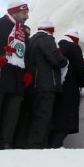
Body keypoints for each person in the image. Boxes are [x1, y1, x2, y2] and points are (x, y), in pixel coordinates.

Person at [0, 1, 30, 151]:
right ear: (14, 12)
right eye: (24, 13)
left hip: (16, 78)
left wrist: (27, 72)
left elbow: (25, 54)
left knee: (12, 114)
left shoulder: (22, 31)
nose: (27, 16)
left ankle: (6, 142)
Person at [26, 17, 68, 149]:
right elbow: (55, 59)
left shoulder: (32, 40)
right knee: (44, 116)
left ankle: (33, 142)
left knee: (36, 114)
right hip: (47, 83)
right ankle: (37, 144)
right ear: (51, 30)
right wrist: (64, 60)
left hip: (34, 83)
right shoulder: (46, 39)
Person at [49, 29, 84, 148]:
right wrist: (82, 82)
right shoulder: (73, 47)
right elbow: (80, 68)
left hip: (55, 88)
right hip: (69, 89)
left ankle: (54, 145)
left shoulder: (56, 46)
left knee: (57, 121)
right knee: (66, 121)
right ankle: (54, 146)